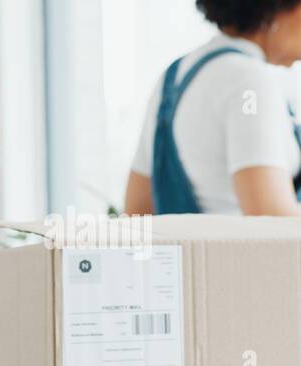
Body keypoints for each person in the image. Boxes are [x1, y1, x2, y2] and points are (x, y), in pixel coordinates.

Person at [125, 0, 301, 216]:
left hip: (189, 249)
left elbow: (137, 212)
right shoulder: (249, 83)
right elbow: (270, 216)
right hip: (238, 250)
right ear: (282, 8)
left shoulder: (173, 76)